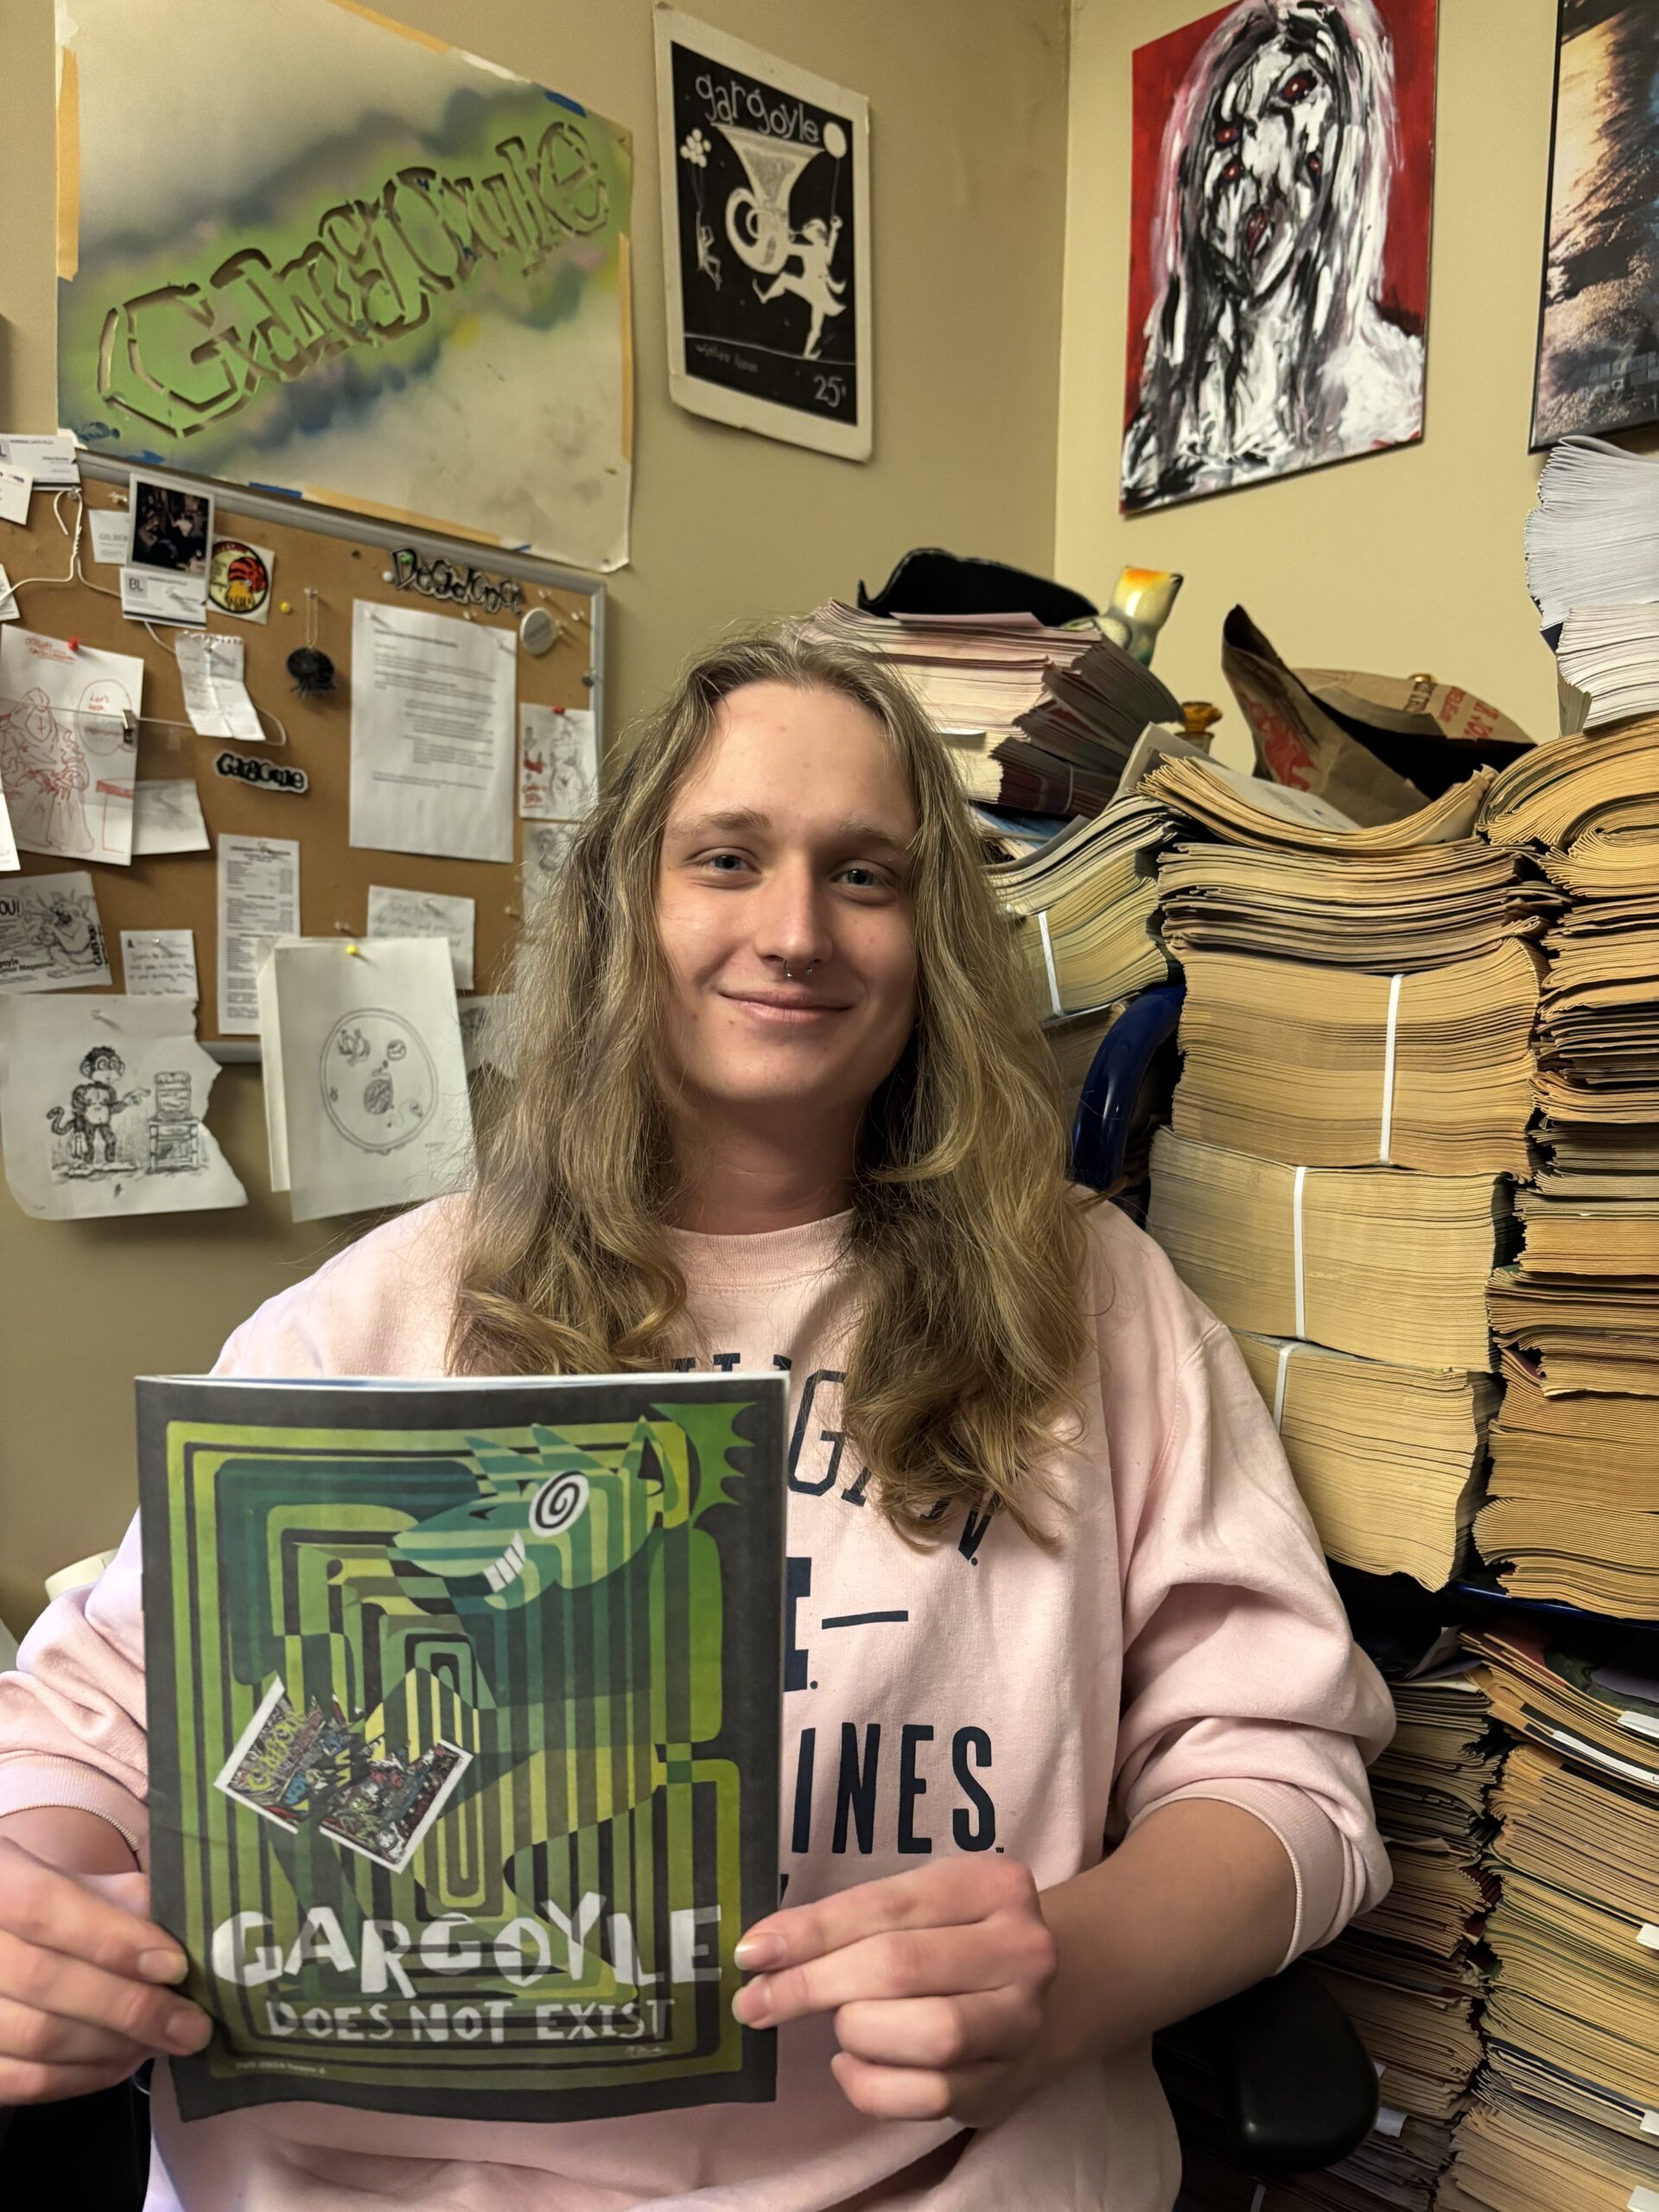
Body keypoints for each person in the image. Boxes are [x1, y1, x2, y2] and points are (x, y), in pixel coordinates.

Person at [0, 626, 1393, 2211]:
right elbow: (83, 1749)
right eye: (727, 858)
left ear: (934, 941)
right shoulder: (363, 1323)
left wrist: (1072, 1973)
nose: (796, 931)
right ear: (624, 912)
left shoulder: (1094, 1304)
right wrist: (37, 1901)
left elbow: (1285, 1781)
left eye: (867, 877)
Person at [1121, 0, 1424, 512]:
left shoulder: (1392, 393)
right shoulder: (1153, 444)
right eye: (1229, 135)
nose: (1258, 163)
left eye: (1303, 161)